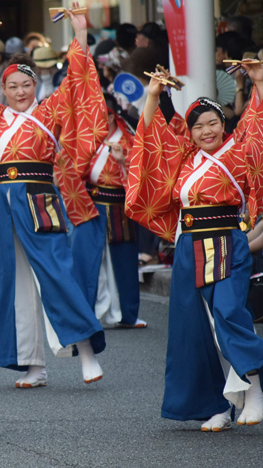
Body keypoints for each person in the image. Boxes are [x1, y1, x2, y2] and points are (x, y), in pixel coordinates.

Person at [0, 9, 108, 389]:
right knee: (11, 278)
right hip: (2, 201)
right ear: (3, 89)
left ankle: (85, 349)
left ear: (35, 85)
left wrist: (81, 30)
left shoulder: (51, 109)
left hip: (38, 198)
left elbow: (79, 79)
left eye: (26, 84)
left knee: (55, 272)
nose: (20, 92)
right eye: (13, 86)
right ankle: (32, 362)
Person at [126, 67, 263, 431]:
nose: (206, 131)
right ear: (190, 133)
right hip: (190, 246)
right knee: (195, 327)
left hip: (228, 243)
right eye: (198, 126)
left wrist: (258, 84)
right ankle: (214, 404)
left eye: (213, 122)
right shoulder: (185, 157)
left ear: (223, 122)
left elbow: (257, 123)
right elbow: (154, 137)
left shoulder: (240, 149)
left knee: (230, 312)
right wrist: (154, 95)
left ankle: (254, 390)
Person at [56, 93, 146, 329]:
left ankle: (127, 314)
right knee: (86, 260)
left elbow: (141, 175)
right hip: (90, 204)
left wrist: (122, 162)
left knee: (123, 261)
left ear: (111, 114)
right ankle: (86, 313)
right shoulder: (86, 139)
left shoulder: (129, 139)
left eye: (100, 115)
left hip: (119, 205)